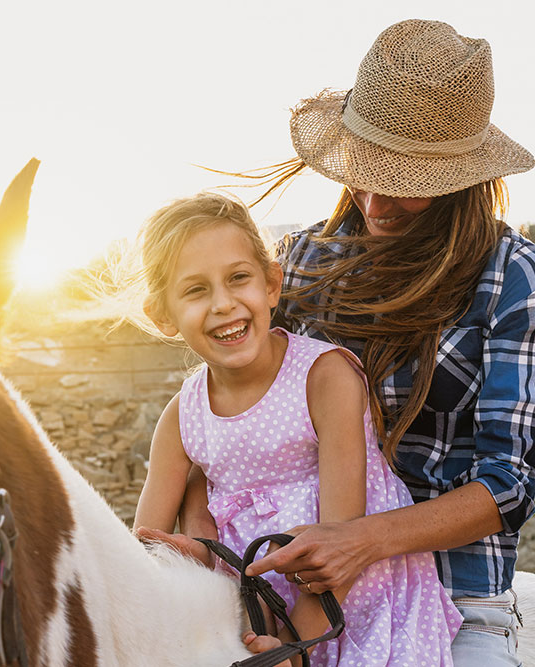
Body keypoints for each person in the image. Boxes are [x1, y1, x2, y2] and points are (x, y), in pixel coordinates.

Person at [165, 19, 535, 665]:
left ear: (461, 177)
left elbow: (508, 484)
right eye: (366, 168)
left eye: (408, 183)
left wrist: (362, 540)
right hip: (286, 595)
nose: (376, 199)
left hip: (456, 598)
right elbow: (228, 422)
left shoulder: (513, 278)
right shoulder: (302, 261)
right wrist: (204, 540)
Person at [130, 191, 461, 664]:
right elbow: (146, 553)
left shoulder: (324, 377)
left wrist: (295, 651)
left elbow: (339, 539)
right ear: (162, 314)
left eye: (238, 279)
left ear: (271, 285)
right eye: (196, 290)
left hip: (353, 606)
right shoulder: (181, 419)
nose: (223, 304)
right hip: (253, 623)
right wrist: (197, 559)